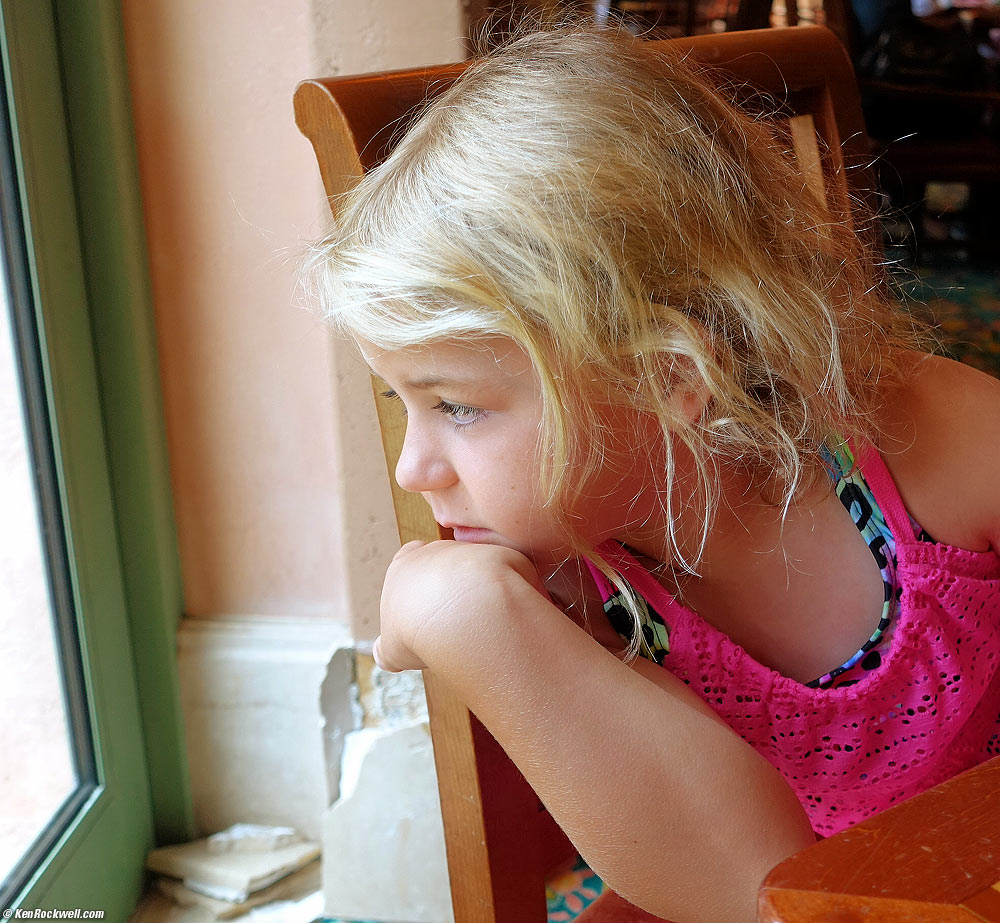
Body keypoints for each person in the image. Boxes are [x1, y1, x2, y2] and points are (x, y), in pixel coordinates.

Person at [306, 23, 1000, 923]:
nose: (413, 467)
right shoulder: (576, 579)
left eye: (459, 406)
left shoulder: (934, 446)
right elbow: (753, 893)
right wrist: (470, 615)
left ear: (670, 376)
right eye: (406, 403)